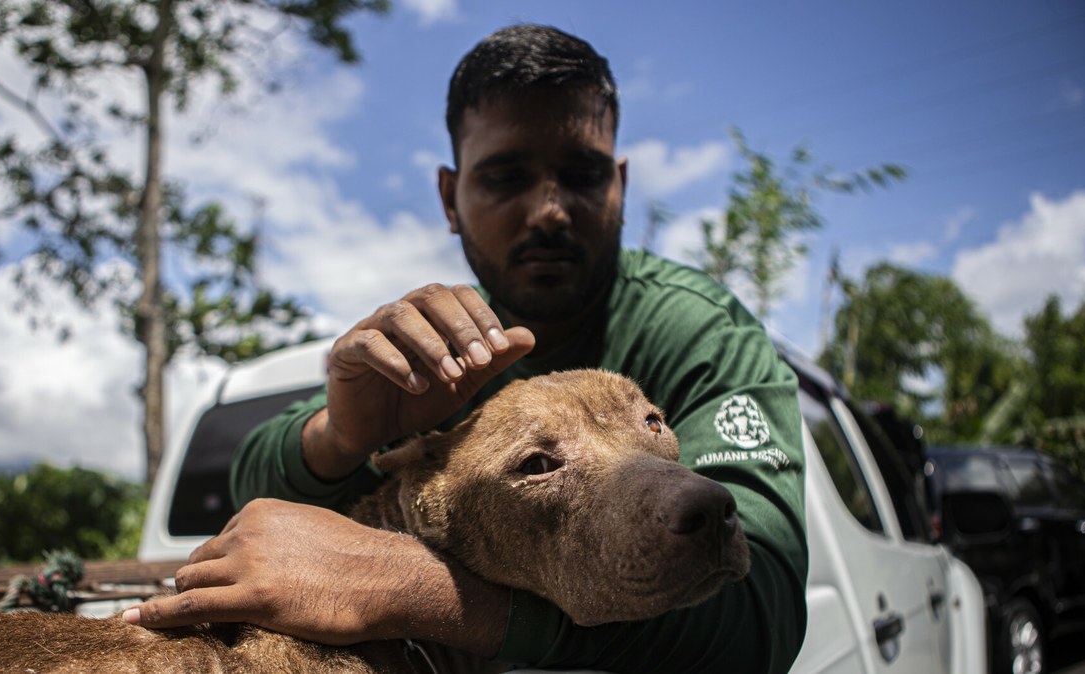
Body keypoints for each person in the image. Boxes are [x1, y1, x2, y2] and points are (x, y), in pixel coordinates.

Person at [127, 24, 808, 673]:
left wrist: (415, 589)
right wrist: (339, 435)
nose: (549, 210)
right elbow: (256, 493)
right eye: (506, 178)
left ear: (620, 187)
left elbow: (760, 617)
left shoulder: (693, 329)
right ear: (451, 199)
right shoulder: (445, 347)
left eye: (583, 174)